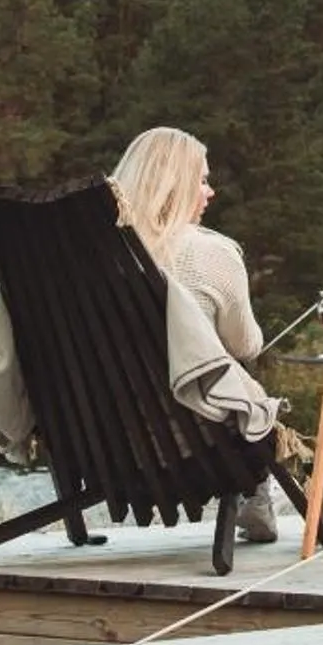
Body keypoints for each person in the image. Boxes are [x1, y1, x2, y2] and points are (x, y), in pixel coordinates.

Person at [110, 126, 282, 544]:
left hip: (103, 446)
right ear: (175, 185)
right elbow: (246, 345)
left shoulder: (85, 259)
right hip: (189, 446)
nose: (210, 192)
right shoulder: (210, 252)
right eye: (202, 180)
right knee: (244, 399)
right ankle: (257, 497)